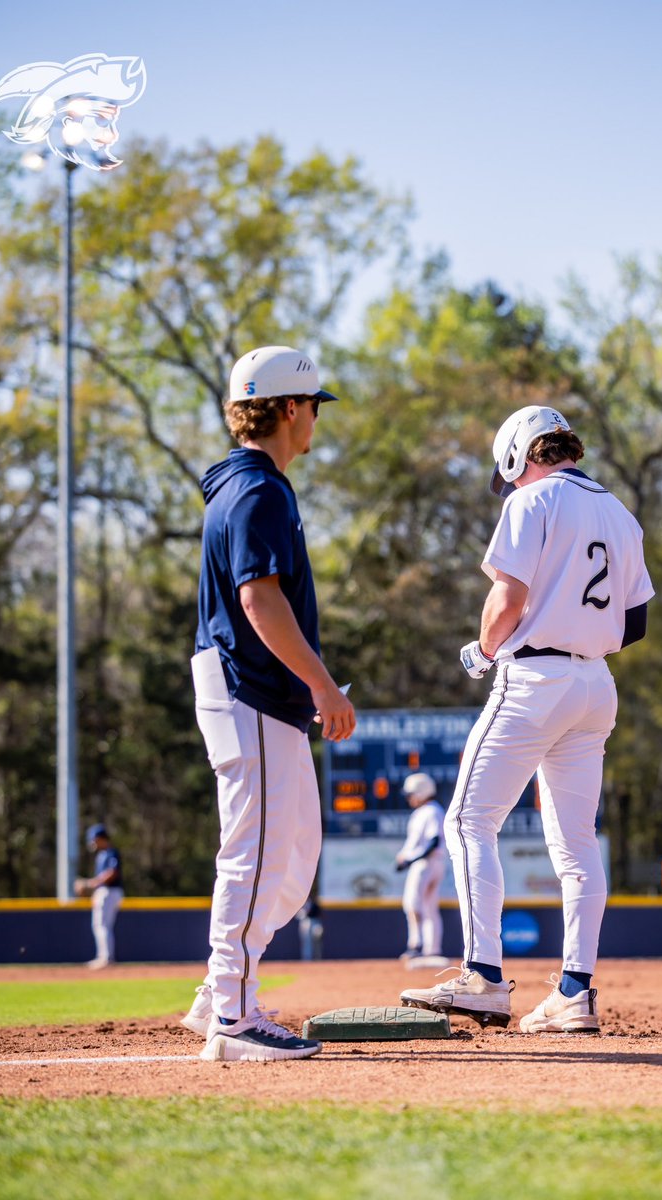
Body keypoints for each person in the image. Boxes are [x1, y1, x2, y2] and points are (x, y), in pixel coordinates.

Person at [400, 405, 654, 1033]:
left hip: (534, 679)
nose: (509, 483)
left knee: (468, 820)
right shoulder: (621, 514)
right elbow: (636, 623)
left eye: (509, 472)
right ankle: (575, 992)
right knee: (577, 845)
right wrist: (580, 635)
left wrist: (484, 651)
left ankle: (482, 977)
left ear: (520, 454)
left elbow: (507, 599)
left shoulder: (531, 501)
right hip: (595, 685)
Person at [181, 345, 355, 1063]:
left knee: (294, 852)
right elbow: (259, 600)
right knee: (255, 854)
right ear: (288, 408)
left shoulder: (252, 485)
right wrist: (320, 682)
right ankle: (232, 1013)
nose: (316, 418)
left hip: (257, 694)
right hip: (249, 687)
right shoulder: (257, 490)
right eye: (313, 405)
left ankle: (220, 989)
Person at [395, 772, 447, 963]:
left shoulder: (431, 811)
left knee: (413, 904)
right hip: (430, 863)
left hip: (426, 864)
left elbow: (433, 842)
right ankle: (432, 949)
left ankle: (416, 945)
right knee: (428, 907)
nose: (409, 798)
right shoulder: (426, 811)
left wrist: (410, 860)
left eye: (411, 794)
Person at [74, 823, 124, 969]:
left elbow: (112, 873)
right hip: (105, 891)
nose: (93, 843)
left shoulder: (111, 853)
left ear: (101, 838)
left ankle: (106, 958)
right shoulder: (102, 855)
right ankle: (104, 956)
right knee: (100, 925)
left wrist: (89, 884)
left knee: (102, 925)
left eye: (94, 839)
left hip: (110, 891)